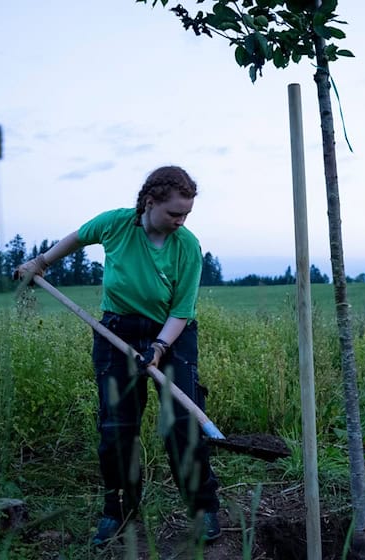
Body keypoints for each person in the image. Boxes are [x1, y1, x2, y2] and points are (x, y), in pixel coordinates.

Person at [15, 165, 221, 547]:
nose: (181, 221)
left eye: (187, 214)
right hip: (116, 332)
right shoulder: (115, 225)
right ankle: (119, 511)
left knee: (181, 422)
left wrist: (159, 349)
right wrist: (41, 263)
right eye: (174, 213)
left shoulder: (187, 246)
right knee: (116, 430)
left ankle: (203, 507)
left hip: (172, 336)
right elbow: (77, 238)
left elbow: (182, 310)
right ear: (150, 202)